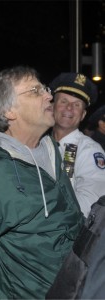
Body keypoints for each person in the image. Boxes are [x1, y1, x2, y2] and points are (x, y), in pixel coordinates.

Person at [0, 65, 84, 299]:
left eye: (44, 88)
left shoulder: (52, 152)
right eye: (35, 91)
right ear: (8, 111)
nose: (49, 95)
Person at [50, 73, 105, 217]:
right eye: (64, 101)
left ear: (83, 115)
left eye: (77, 105)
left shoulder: (88, 150)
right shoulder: (38, 143)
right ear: (52, 106)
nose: (69, 108)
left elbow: (90, 201)